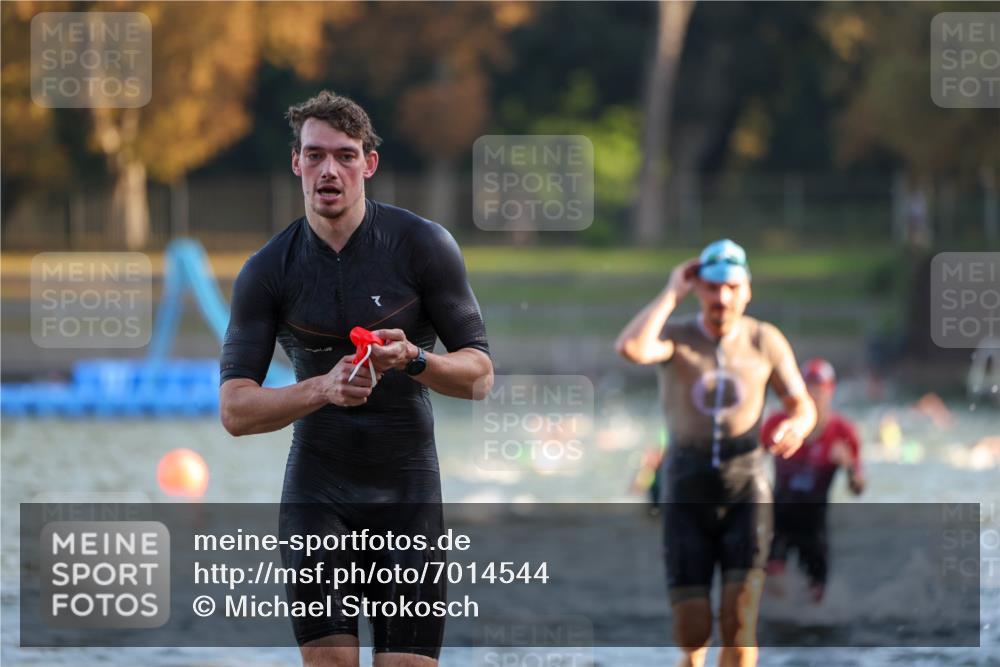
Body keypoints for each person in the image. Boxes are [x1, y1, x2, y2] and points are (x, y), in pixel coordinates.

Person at [219, 91, 493, 667]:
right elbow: (235, 411)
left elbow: (480, 376)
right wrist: (322, 387)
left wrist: (416, 360)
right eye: (314, 155)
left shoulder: (422, 245)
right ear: (296, 163)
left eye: (344, 156)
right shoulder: (268, 270)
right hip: (318, 495)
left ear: (368, 164)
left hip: (408, 497)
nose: (329, 171)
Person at [615, 239, 816, 667]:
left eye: (731, 288)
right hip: (686, 491)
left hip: (746, 489)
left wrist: (797, 426)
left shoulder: (765, 340)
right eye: (711, 288)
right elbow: (631, 348)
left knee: (738, 621)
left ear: (746, 291)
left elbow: (802, 405)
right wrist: (672, 291)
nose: (721, 298)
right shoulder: (678, 336)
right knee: (692, 630)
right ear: (699, 289)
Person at [760, 358, 865, 603]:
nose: (815, 394)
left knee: (817, 596)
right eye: (809, 388)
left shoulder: (843, 432)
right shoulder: (778, 423)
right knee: (773, 579)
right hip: (779, 517)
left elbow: (858, 489)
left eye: (820, 388)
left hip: (815, 522)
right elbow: (747, 464)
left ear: (831, 391)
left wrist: (848, 466)